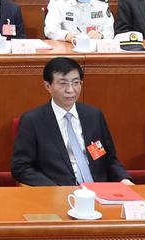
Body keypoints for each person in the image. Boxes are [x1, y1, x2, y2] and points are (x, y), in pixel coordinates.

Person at [11, 57, 132, 186]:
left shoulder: (94, 116)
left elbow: (109, 160)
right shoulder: (33, 121)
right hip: (59, 195)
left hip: (100, 192)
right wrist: (53, 190)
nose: (70, 90)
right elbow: (21, 168)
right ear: (48, 86)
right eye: (63, 83)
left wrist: (124, 179)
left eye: (75, 82)